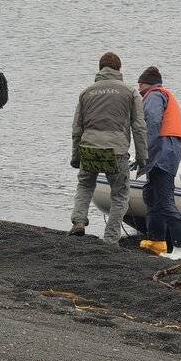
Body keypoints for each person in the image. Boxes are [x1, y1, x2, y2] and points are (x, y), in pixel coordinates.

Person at [68, 52, 148, 244]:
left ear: (100, 69)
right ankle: (111, 238)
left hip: (89, 147)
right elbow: (139, 126)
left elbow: (77, 128)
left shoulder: (86, 93)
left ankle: (79, 222)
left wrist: (76, 156)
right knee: (120, 195)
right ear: (119, 69)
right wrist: (141, 156)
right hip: (116, 151)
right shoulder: (130, 92)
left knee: (85, 185)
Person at [136, 66, 181, 260]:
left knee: (164, 199)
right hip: (167, 150)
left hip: (162, 152)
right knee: (152, 195)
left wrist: (143, 152)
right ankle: (157, 241)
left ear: (146, 83)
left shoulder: (154, 95)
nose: (138, 88)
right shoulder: (162, 94)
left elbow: (153, 122)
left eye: (140, 84)